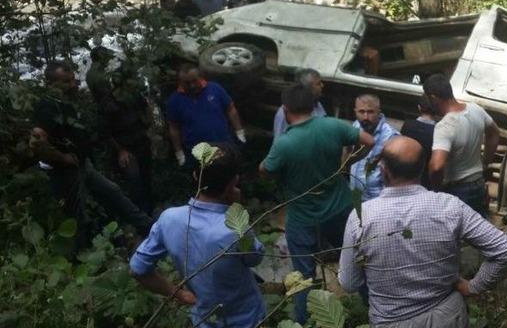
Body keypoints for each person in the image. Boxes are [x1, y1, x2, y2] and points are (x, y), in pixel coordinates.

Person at [338, 136, 507, 327]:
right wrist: (474, 286)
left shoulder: (360, 217)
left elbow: (349, 283)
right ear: (423, 168)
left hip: (391, 321)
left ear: (383, 170)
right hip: (447, 316)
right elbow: (505, 250)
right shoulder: (449, 207)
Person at [259, 84, 374, 323]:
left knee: (303, 276)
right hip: (340, 208)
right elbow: (369, 141)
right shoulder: (332, 125)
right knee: (359, 261)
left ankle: (303, 322)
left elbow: (265, 171)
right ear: (313, 106)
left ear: (285, 108)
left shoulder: (285, 144)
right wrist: (348, 163)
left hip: (302, 218)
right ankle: (377, 311)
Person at [130, 143, 266, 328]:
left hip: (203, 320)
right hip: (246, 320)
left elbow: (138, 269)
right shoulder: (235, 228)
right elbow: (254, 259)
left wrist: (178, 293)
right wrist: (236, 210)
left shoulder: (169, 219)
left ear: (195, 176)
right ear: (234, 182)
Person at [30, 62, 152, 242]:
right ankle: (82, 253)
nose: (72, 85)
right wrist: (63, 158)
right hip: (64, 172)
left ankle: (147, 226)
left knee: (112, 192)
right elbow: (37, 143)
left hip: (82, 164)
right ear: (50, 84)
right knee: (76, 214)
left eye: (72, 80)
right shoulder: (47, 107)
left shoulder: (65, 103)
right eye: (66, 82)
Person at [86, 46, 155, 214]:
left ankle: (151, 210)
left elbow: (145, 112)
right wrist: (120, 151)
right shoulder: (108, 104)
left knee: (147, 177)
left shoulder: (133, 95)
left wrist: (150, 128)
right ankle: (141, 215)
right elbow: (104, 132)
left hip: (141, 140)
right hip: (125, 146)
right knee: (135, 182)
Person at [423, 74, 500, 216]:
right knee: (477, 231)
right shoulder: (476, 109)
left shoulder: (445, 126)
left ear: (433, 98)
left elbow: (436, 166)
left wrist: (436, 190)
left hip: (458, 190)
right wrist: (485, 162)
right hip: (478, 183)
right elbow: (495, 133)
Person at [166, 64, 246, 168]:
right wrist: (179, 152)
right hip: (196, 153)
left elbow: (231, 109)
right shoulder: (174, 100)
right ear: (180, 82)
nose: (192, 85)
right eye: (187, 83)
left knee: (229, 175)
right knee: (203, 181)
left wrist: (239, 132)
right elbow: (174, 128)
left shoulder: (215, 88)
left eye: (194, 81)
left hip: (224, 146)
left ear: (201, 77)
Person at [349, 94, 399, 201]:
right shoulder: (356, 126)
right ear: (355, 111)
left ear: (379, 112)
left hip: (376, 202)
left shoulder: (391, 137)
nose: (366, 117)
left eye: (370, 112)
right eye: (361, 112)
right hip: (354, 197)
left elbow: (396, 177)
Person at [272, 68, 326, 139]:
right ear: (308, 88)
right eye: (318, 84)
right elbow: (278, 143)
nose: (322, 85)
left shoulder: (317, 104)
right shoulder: (285, 112)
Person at [399, 95, 437, 187]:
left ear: (419, 107)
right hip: (425, 178)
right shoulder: (438, 131)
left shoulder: (407, 125)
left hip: (405, 172)